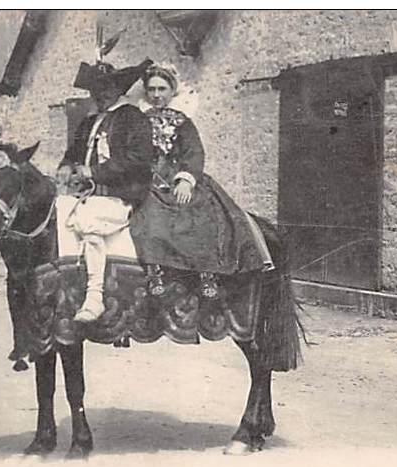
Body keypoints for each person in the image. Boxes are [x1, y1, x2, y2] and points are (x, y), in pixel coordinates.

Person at [129, 63, 274, 298]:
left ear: (171, 91)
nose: (156, 95)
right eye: (152, 89)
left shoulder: (183, 122)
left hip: (177, 175)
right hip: (148, 178)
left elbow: (194, 152)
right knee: (145, 213)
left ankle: (207, 273)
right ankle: (155, 270)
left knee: (200, 211)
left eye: (162, 89)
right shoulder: (138, 121)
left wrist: (186, 179)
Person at [57, 58, 155, 322]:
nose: (100, 95)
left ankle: (95, 296)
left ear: (117, 90)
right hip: (89, 195)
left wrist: (95, 172)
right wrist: (66, 166)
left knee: (89, 220)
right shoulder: (89, 123)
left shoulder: (133, 119)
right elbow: (72, 153)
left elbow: (139, 160)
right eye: (95, 90)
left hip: (123, 195)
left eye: (106, 89)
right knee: (56, 214)